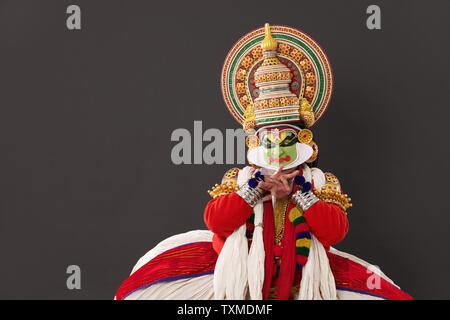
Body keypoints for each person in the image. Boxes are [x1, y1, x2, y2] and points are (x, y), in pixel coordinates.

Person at [115, 24, 412, 300]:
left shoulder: (320, 182)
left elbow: (334, 232)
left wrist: (299, 193)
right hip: (239, 280)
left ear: (303, 139)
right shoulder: (240, 178)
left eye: (287, 140)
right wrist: (254, 190)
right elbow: (216, 221)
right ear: (254, 143)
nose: (278, 151)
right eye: (268, 142)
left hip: (306, 282)